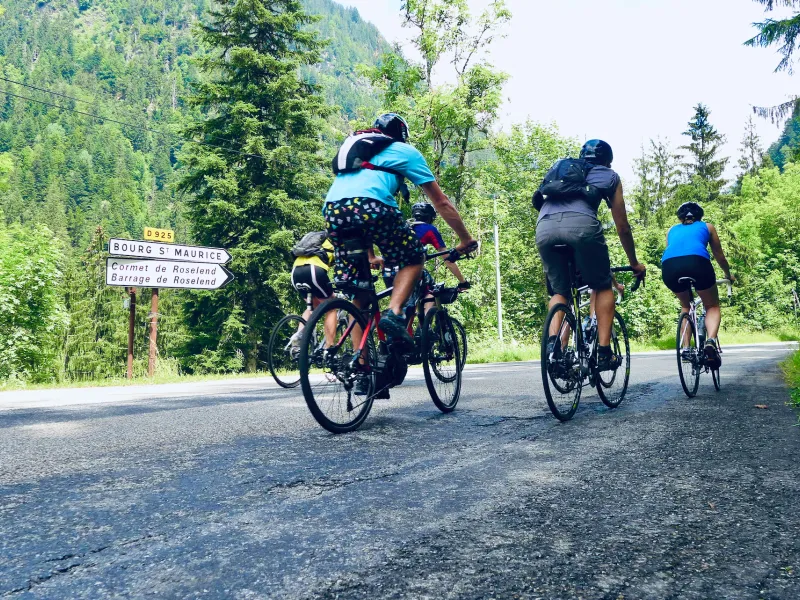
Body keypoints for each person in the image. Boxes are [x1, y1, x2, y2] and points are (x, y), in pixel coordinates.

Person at [324, 113, 477, 347]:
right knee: (414, 257)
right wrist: (466, 239)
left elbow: (353, 205)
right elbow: (442, 202)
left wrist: (371, 255)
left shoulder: (356, 147)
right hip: (373, 206)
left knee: (361, 295)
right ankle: (393, 312)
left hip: (334, 210)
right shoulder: (405, 152)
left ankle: (361, 371)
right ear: (402, 136)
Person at [534, 139, 646, 370]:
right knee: (603, 286)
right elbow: (622, 226)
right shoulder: (610, 176)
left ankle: (555, 349)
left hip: (544, 227)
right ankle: (604, 353)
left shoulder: (562, 169)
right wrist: (634, 263)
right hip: (582, 227)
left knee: (559, 291)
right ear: (608, 161)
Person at [661, 201, 735, 367]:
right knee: (712, 306)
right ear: (699, 216)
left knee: (685, 306)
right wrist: (728, 275)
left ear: (681, 218)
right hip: (698, 264)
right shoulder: (707, 227)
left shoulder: (671, 230)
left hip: (669, 267)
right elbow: (719, 256)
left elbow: (673, 250)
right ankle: (710, 341)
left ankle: (686, 349)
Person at [383, 201, 469, 317]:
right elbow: (447, 259)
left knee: (399, 306)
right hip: (408, 271)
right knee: (432, 289)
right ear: (430, 217)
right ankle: (424, 329)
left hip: (388, 272)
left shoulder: (403, 226)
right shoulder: (429, 229)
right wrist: (462, 281)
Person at [289, 232, 338, 350]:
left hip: (296, 272)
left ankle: (298, 339)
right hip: (313, 270)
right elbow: (340, 264)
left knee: (311, 307)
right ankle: (329, 348)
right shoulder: (332, 241)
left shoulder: (313, 240)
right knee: (331, 306)